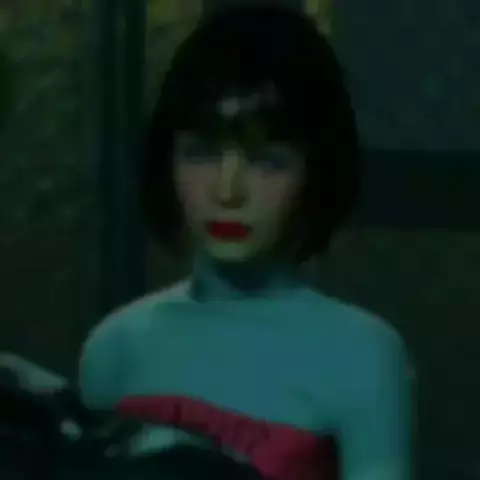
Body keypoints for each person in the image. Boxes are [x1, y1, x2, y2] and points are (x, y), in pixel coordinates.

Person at [79, 5, 413, 480]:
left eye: (266, 161)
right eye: (200, 153)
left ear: (316, 170)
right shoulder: (115, 349)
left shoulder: (362, 355)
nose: (228, 190)